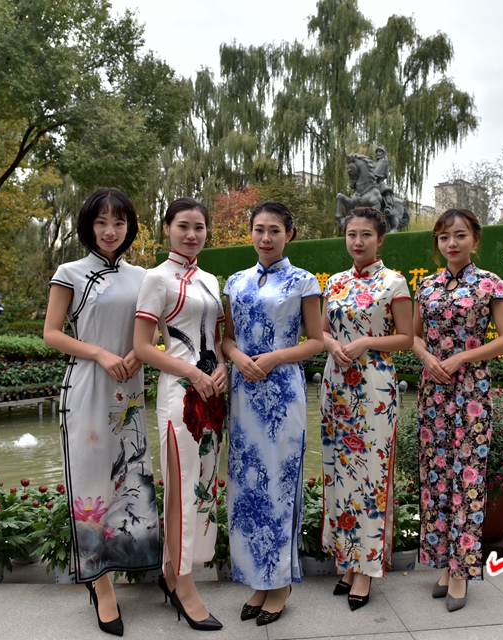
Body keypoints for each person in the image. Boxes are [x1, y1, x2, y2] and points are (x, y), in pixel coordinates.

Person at [43, 187, 162, 637]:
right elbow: (52, 333)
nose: (110, 231)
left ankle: (134, 562)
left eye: (119, 222)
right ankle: (100, 583)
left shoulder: (144, 277)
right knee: (91, 481)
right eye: (101, 222)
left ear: (130, 227)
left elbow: (153, 330)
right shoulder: (70, 273)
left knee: (131, 475)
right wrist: (99, 353)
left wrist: (136, 353)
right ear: (88, 226)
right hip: (88, 386)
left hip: (129, 388)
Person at [221, 201, 324, 626]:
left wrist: (276, 356)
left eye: (275, 230)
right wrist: (237, 357)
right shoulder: (235, 281)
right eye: (259, 229)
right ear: (251, 232)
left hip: (282, 394)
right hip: (243, 392)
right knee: (246, 486)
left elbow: (316, 341)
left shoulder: (304, 281)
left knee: (279, 485)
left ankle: (279, 584)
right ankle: (257, 581)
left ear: (289, 234)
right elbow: (227, 339)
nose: (266, 237)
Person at [412, 208, 503, 612]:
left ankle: (462, 572)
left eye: (459, 235)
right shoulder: (427, 285)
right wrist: (428, 358)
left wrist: (461, 358)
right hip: (433, 390)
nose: (451, 243)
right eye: (443, 237)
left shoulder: (490, 283)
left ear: (475, 238)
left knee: (468, 477)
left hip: (471, 392)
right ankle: (444, 562)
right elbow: (414, 336)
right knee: (436, 477)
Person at [133, 197, 227, 632]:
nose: (192, 234)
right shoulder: (157, 278)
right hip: (180, 396)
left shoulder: (209, 278)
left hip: (213, 395)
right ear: (167, 228)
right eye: (183, 226)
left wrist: (222, 367)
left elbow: (217, 338)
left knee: (204, 485)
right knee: (183, 487)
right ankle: (184, 587)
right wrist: (191, 372)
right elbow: (142, 347)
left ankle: (173, 573)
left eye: (199, 227)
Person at [319, 207, 413, 611]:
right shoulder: (335, 282)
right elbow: (321, 330)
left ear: (381, 239)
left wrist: (366, 342)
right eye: (351, 234)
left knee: (371, 475)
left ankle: (366, 568)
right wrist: (332, 344)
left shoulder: (394, 282)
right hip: (336, 384)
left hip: (374, 387)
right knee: (338, 472)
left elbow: (407, 338)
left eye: (366, 235)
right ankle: (346, 560)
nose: (357, 241)